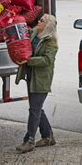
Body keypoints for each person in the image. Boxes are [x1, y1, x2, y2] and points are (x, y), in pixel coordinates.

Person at [15, 14, 58, 154]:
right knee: (37, 108)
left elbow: (47, 60)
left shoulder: (51, 42)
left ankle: (29, 141)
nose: (38, 22)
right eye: (39, 20)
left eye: (42, 21)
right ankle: (48, 137)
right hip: (31, 76)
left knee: (34, 110)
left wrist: (29, 60)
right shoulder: (33, 33)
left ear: (47, 27)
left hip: (41, 79)